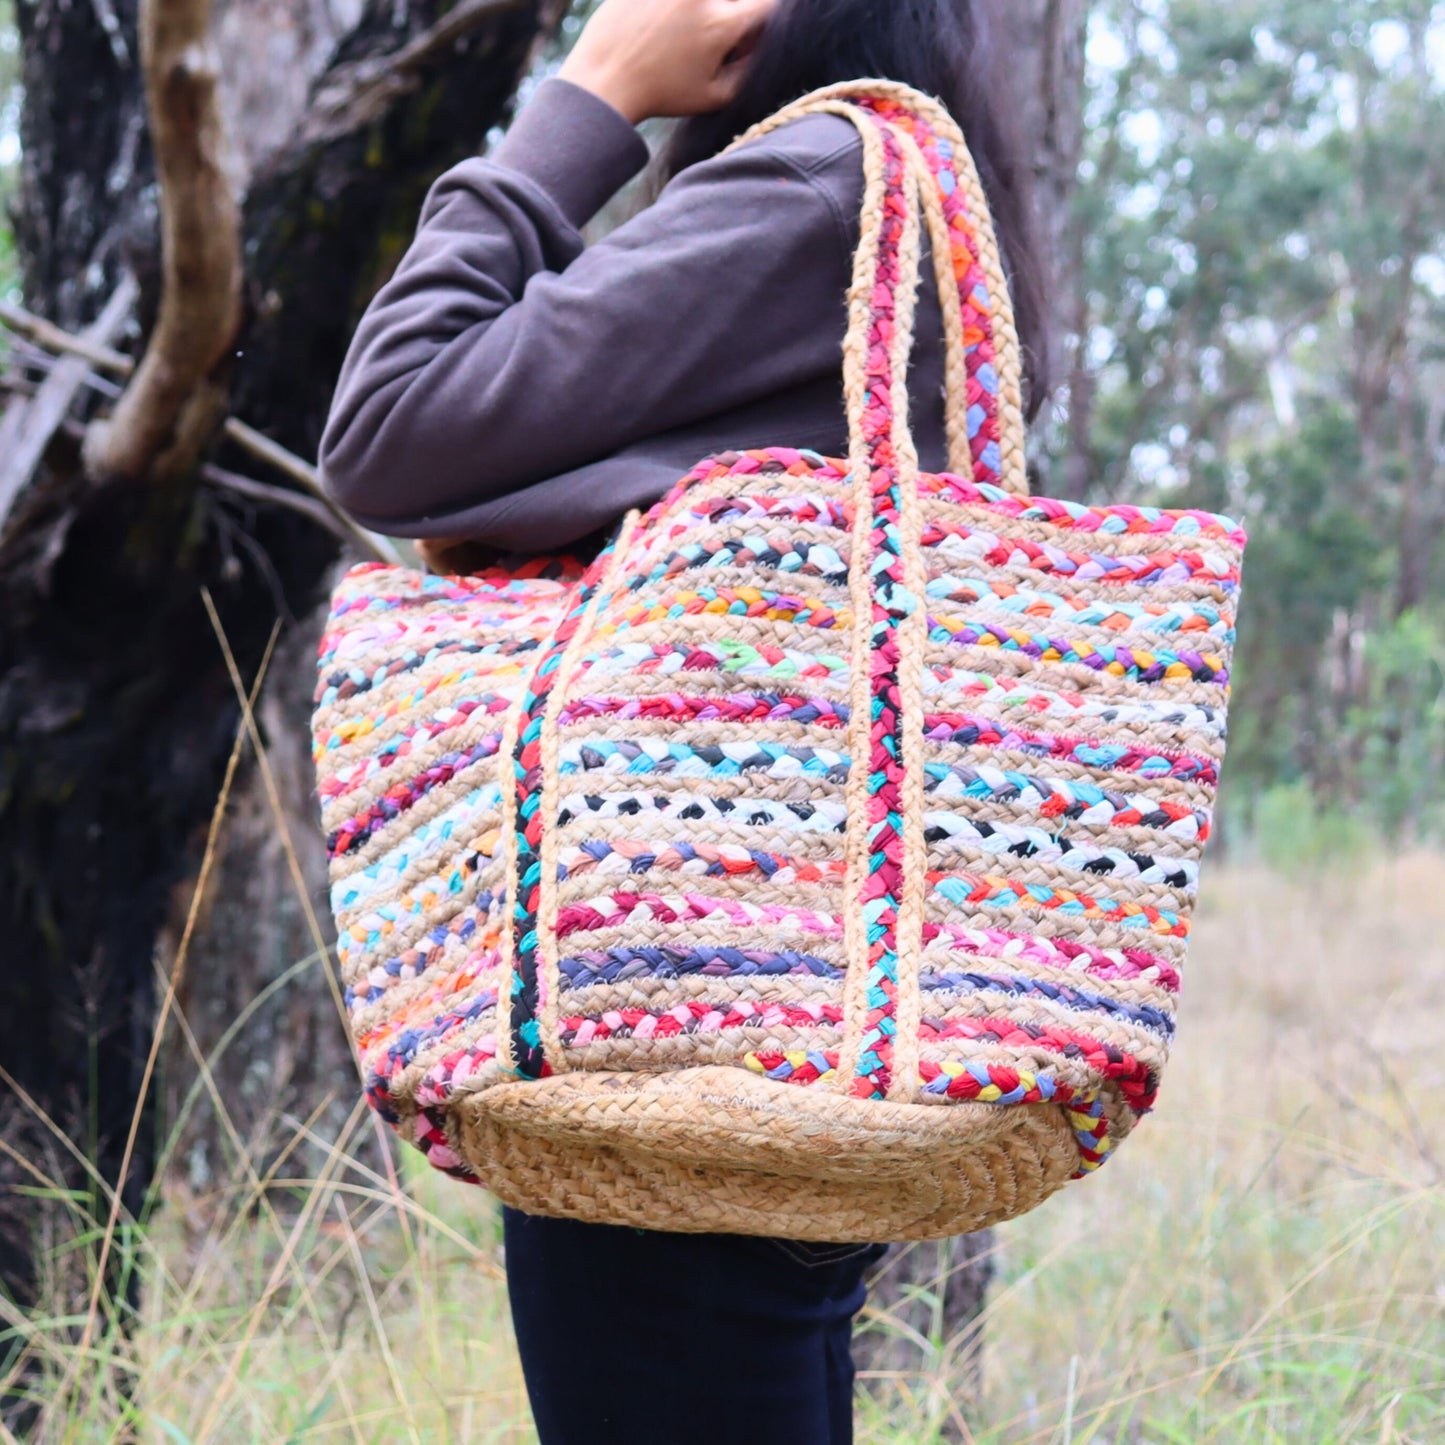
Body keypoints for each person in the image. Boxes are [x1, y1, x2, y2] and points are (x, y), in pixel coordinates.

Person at [318, 2, 1049, 1441]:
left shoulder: (809, 195)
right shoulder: (885, 198)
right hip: (788, 1000)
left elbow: (389, 424)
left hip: (674, 1002)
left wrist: (587, 96)